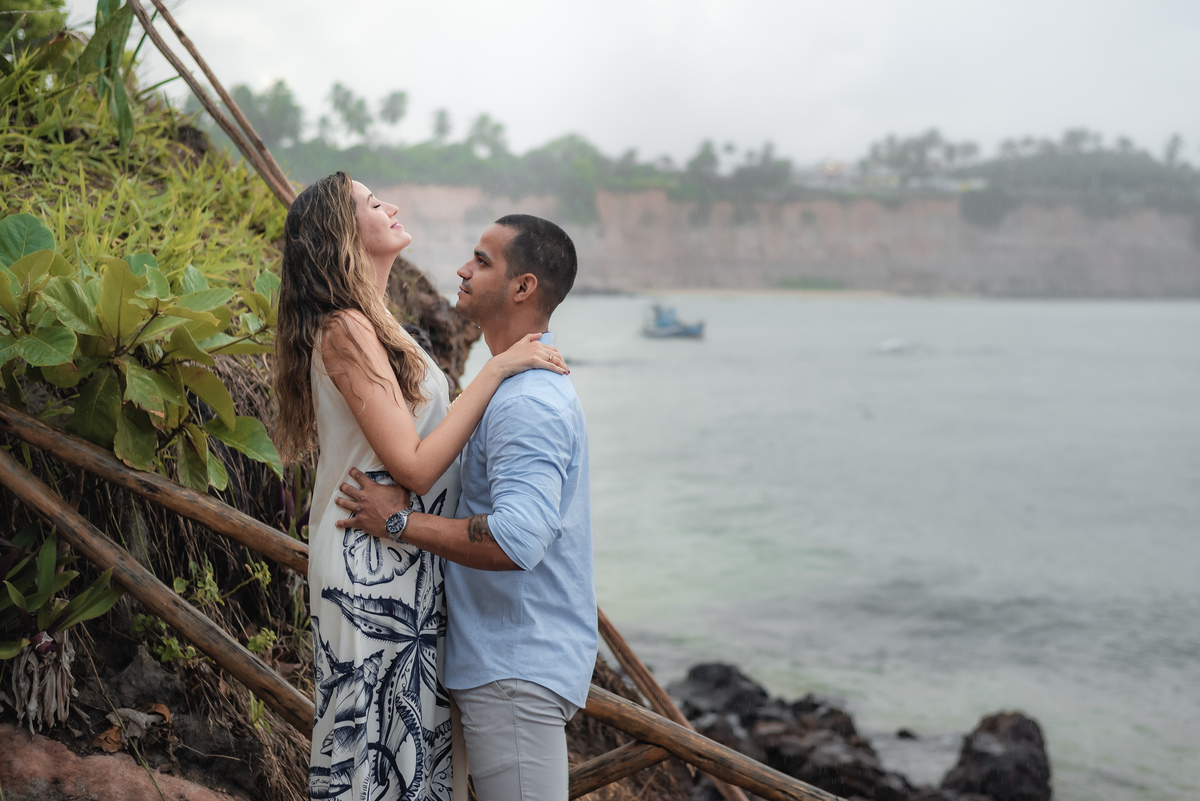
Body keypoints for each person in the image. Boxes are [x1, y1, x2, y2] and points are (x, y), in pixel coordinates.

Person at [272, 173, 567, 801]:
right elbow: (412, 465)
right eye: (374, 204)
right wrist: (498, 368)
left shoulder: (375, 323)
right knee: (374, 749)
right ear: (343, 233)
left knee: (408, 752)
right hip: (368, 555)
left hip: (404, 556)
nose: (392, 205)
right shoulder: (345, 327)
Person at [334, 214, 597, 801]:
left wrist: (397, 523)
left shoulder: (528, 400)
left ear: (523, 287)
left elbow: (515, 540)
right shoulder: (508, 383)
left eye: (481, 260)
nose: (462, 269)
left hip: (515, 667)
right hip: (504, 660)